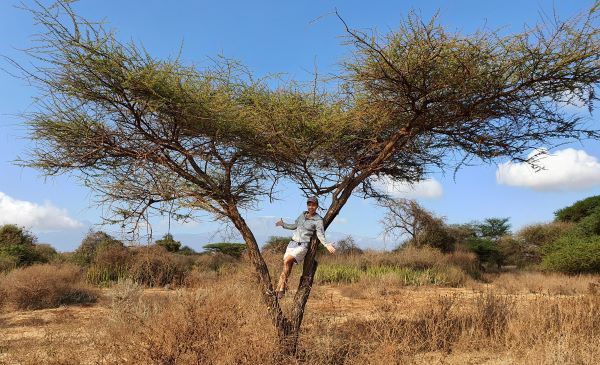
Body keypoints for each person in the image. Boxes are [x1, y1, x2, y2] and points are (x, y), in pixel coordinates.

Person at [274, 196, 336, 299]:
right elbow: (294, 226)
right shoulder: (302, 215)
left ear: (316, 206)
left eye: (313, 205)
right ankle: (279, 290)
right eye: (309, 204)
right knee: (287, 266)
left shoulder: (318, 220)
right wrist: (283, 224)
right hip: (292, 244)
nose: (311, 207)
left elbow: (320, 234)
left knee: (286, 261)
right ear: (307, 205)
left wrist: (326, 244)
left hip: (302, 245)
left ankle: (283, 286)